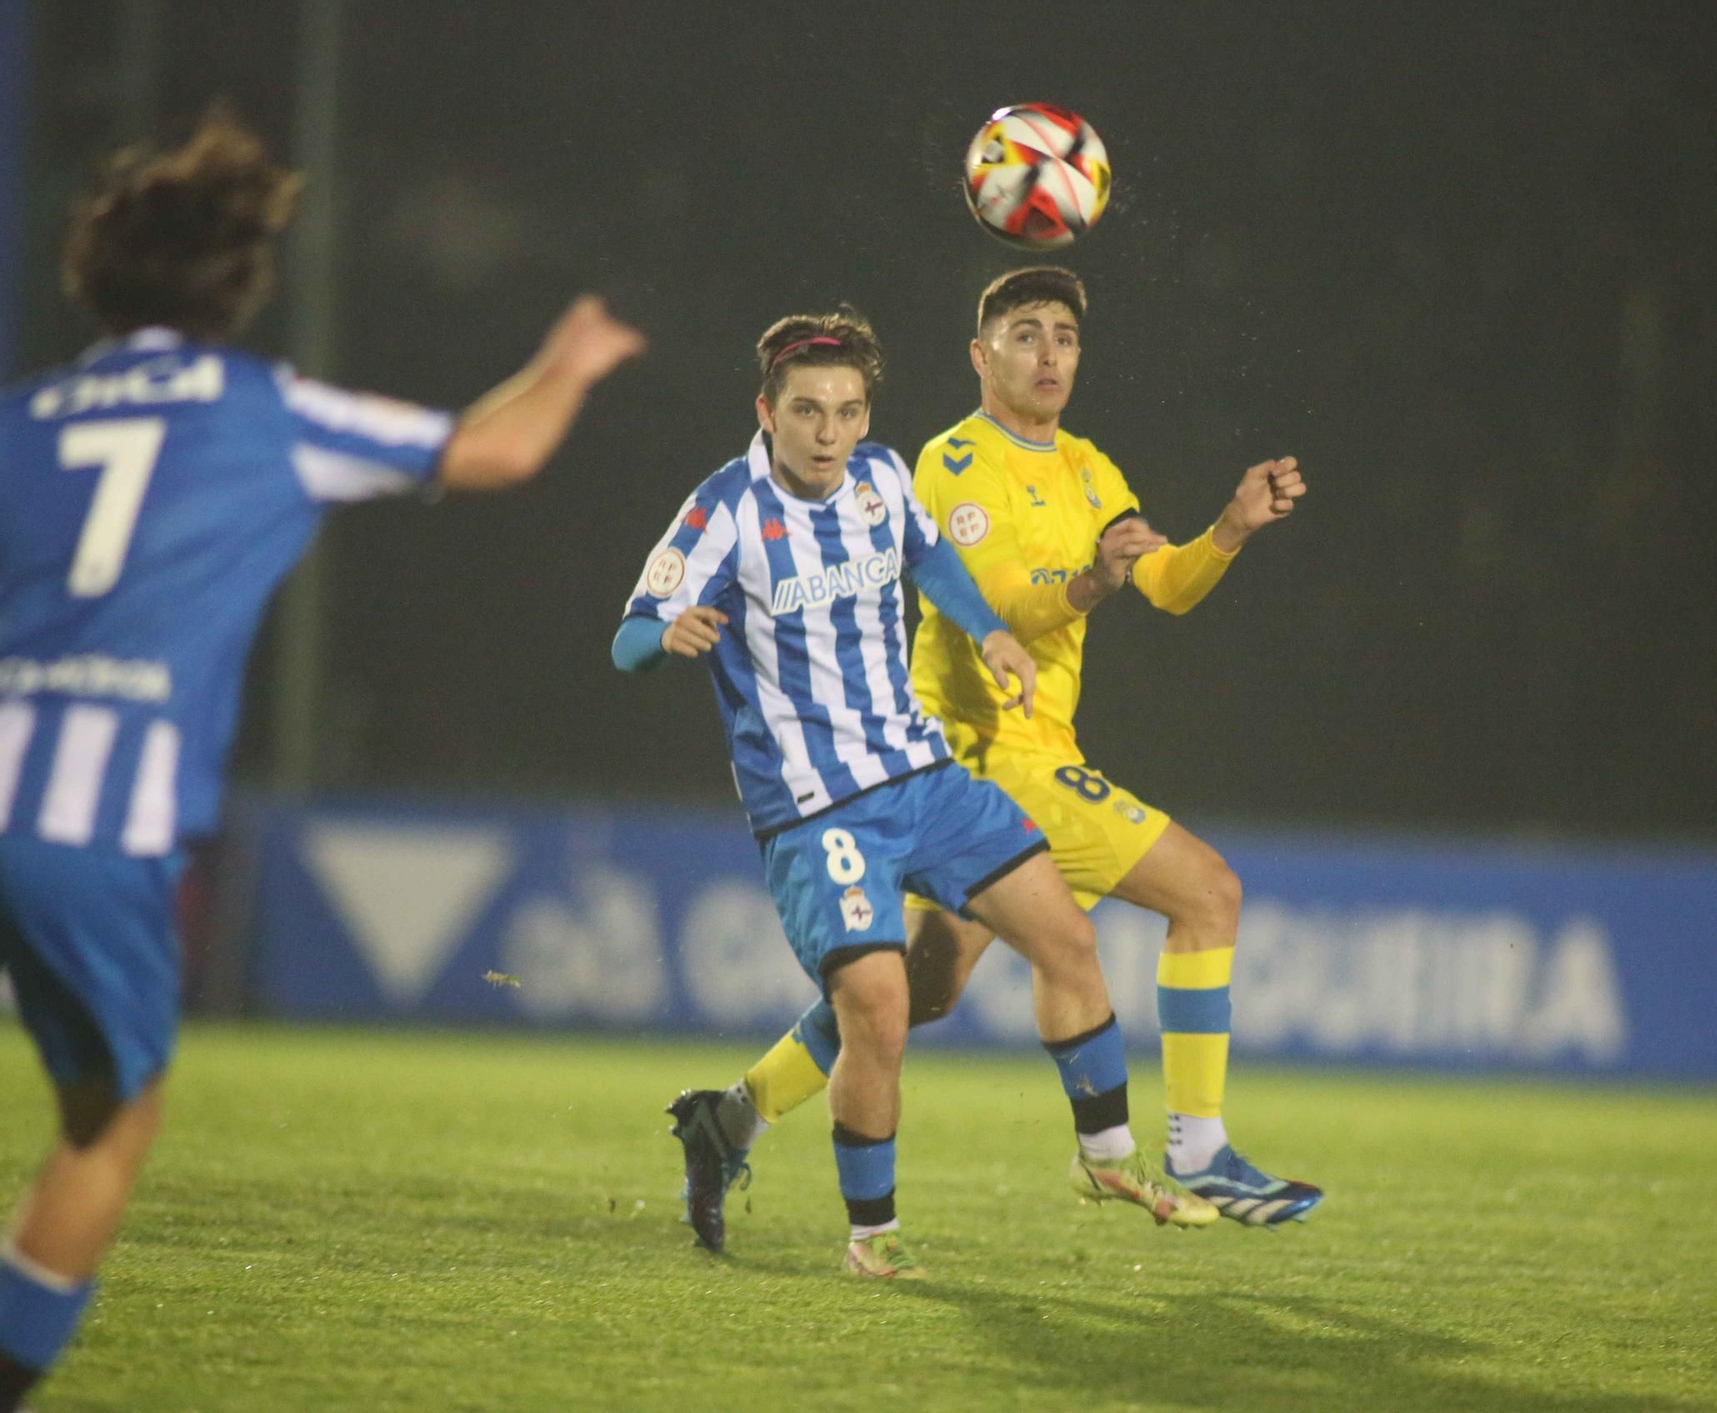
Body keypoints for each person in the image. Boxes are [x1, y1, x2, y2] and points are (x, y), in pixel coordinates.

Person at [0, 109, 643, 1410]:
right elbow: (496, 448)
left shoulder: (25, 416)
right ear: (234, 284)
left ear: (94, 277)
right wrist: (569, 363)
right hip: (85, 827)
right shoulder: (260, 410)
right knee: (108, 1118)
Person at [679, 266, 1321, 1231]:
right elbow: (991, 600)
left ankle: (730, 1119)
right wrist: (1088, 586)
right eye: (1026, 334)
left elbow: (1168, 586)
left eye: (1064, 334)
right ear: (983, 357)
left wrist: (1227, 529)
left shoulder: (1092, 470)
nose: (1050, 352)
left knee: (916, 994)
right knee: (1209, 892)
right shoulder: (950, 462)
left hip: (1034, 746)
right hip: (967, 753)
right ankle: (1196, 1144)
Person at [612, 310, 1215, 1276]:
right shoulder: (724, 508)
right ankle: (870, 1239)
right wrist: (669, 632)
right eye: (807, 411)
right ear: (765, 411)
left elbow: (930, 555)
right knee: (883, 1004)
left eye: (847, 411)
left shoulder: (885, 476)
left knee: (1066, 936)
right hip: (817, 810)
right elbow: (628, 636)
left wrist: (990, 632)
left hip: (924, 778)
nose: (828, 432)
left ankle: (1106, 1159)